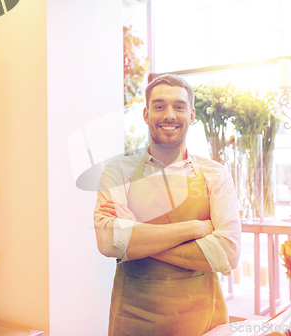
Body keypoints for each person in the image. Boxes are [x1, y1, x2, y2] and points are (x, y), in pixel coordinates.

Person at [94, 74, 241, 336]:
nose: (169, 115)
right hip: (132, 321)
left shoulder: (215, 174)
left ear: (192, 114)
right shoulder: (118, 171)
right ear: (146, 113)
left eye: (179, 106)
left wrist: (134, 236)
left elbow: (227, 252)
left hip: (203, 322)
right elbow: (109, 242)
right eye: (159, 106)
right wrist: (196, 229)